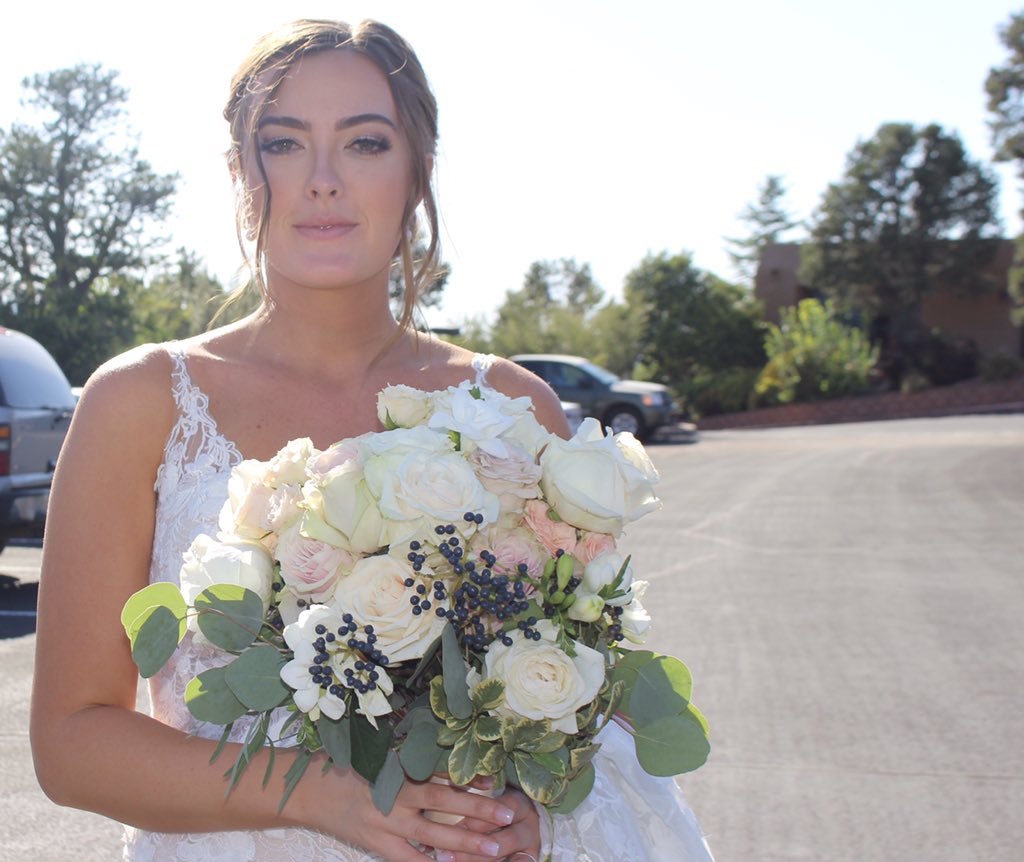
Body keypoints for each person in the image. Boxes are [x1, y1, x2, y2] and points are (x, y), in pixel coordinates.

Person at [30, 18, 713, 862]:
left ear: (416, 170)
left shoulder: (509, 409)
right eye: (284, 143)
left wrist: (532, 820)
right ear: (243, 172)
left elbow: (583, 716)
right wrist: (323, 796)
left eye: (364, 143)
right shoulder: (140, 403)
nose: (322, 181)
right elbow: (71, 744)